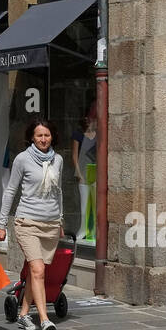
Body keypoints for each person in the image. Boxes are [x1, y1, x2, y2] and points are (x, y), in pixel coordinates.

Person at [0, 118, 64, 330]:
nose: (43, 139)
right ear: (32, 138)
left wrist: (60, 220)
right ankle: (44, 320)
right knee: (38, 271)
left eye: (47, 135)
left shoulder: (58, 160)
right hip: (27, 222)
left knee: (37, 273)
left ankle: (24, 313)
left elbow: (58, 192)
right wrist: (1, 223)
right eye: (39, 136)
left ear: (52, 136)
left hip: (51, 224)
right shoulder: (22, 159)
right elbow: (10, 191)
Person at [71, 101, 97, 244]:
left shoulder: (99, 134)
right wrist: (79, 174)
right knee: (84, 205)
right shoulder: (78, 134)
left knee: (95, 205)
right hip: (83, 172)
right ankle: (83, 229)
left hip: (95, 172)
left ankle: (93, 231)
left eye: (92, 117)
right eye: (88, 117)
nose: (89, 120)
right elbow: (74, 155)